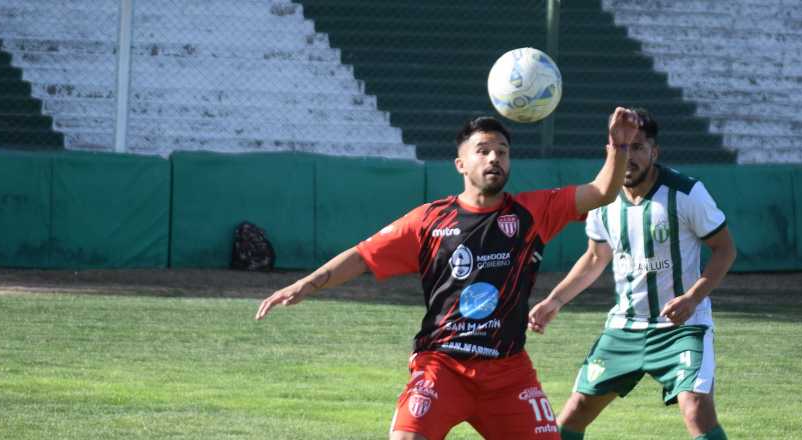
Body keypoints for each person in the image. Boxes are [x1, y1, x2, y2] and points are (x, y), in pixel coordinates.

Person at [255, 108, 641, 440]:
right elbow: (362, 256)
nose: (494, 159)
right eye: (484, 151)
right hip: (442, 366)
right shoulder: (429, 220)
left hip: (509, 373)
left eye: (503, 152)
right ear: (461, 164)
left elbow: (603, 191)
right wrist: (307, 284)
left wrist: (619, 147)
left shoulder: (534, 211)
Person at [528, 108, 737, 440]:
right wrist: (555, 300)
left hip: (681, 327)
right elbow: (596, 258)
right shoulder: (602, 200)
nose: (630, 156)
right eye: (622, 147)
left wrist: (693, 297)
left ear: (655, 152)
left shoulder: (686, 193)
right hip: (624, 327)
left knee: (696, 408)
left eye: (639, 147)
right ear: (610, 151)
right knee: (575, 410)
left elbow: (725, 249)